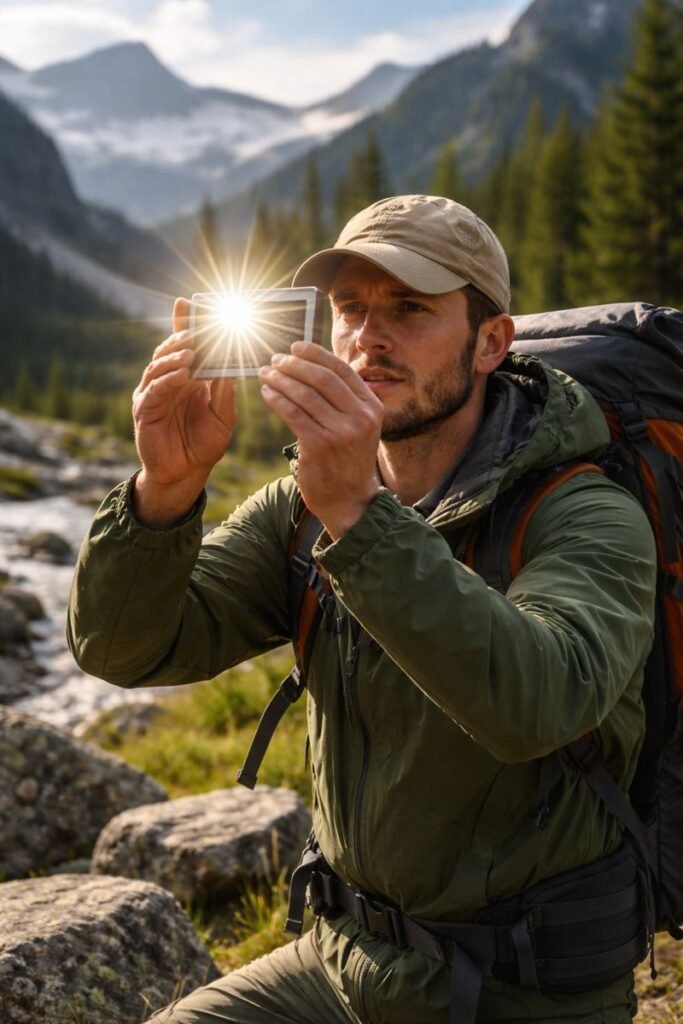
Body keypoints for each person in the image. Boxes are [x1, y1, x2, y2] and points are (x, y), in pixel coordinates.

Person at [68, 195, 657, 1024]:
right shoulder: (303, 503)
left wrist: (356, 515)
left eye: (409, 309)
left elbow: (539, 704)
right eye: (349, 309)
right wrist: (163, 492)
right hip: (337, 960)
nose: (367, 337)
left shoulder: (583, 512)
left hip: (522, 990)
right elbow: (122, 650)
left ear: (491, 342)